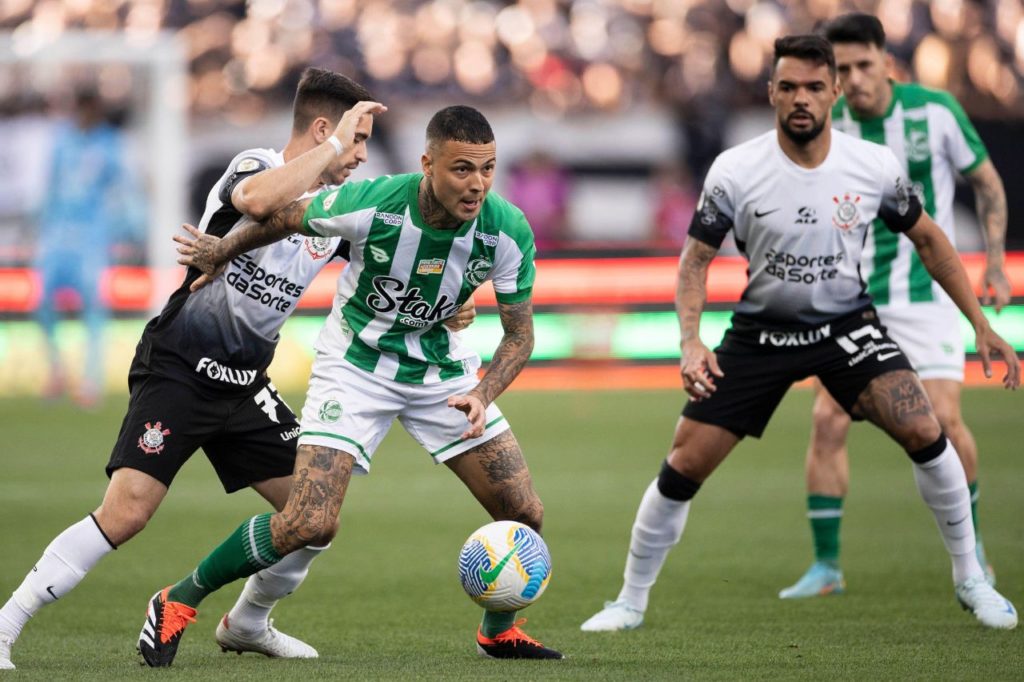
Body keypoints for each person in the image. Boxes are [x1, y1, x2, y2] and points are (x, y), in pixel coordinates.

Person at [0, 69, 455, 671]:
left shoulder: (331, 209)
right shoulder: (253, 164)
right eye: (358, 138)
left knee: (314, 516)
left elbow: (392, 252)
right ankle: (5, 625)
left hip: (245, 388)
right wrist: (330, 151)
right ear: (326, 130)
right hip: (181, 369)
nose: (363, 155)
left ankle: (247, 623)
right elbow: (260, 203)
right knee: (127, 513)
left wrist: (454, 296)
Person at [580, 35, 1019, 634]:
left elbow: (931, 240)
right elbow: (694, 262)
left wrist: (981, 324)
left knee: (924, 425)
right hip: (761, 332)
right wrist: (691, 340)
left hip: (847, 327)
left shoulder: (871, 167)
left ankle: (971, 578)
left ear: (835, 92)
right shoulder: (736, 169)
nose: (801, 99)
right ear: (771, 94)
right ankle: (629, 601)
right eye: (788, 87)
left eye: (815, 86)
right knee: (685, 462)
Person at [138, 104, 563, 667]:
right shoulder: (376, 202)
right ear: (427, 164)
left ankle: (498, 630)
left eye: (487, 169)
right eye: (462, 169)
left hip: (442, 375)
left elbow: (519, 336)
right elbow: (285, 218)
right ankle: (179, 600)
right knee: (309, 521)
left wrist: (483, 394)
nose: (477, 184)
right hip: (356, 367)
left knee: (524, 512)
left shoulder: (506, 229)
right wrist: (219, 251)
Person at [778, 12, 1013, 600]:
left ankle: (973, 550)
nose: (853, 80)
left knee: (945, 423)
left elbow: (986, 182)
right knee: (827, 421)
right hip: (849, 300)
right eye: (842, 70)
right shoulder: (824, 125)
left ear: (887, 61)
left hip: (926, 296)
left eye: (863, 65)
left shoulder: (935, 112)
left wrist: (996, 261)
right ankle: (826, 567)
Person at [34, 87, 138, 407]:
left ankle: (90, 380)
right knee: (41, 305)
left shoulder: (109, 144)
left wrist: (129, 230)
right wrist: (40, 225)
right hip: (57, 234)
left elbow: (123, 190)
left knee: (93, 307)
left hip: (91, 236)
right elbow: (50, 186)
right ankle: (56, 371)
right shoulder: (62, 141)